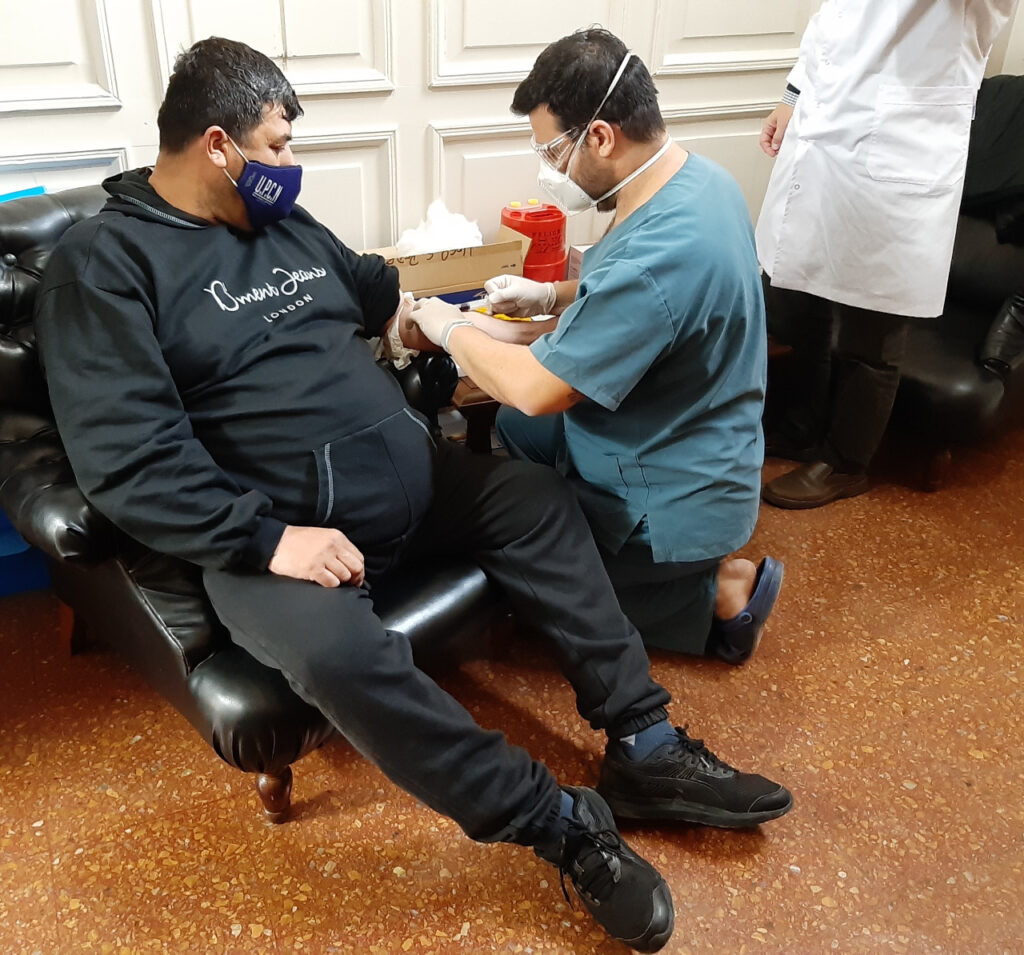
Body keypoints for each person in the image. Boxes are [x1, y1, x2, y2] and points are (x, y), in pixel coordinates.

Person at [33, 37, 793, 953]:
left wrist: (455, 322)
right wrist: (272, 541)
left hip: (412, 481)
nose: (289, 165)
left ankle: (645, 742)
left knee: (536, 500)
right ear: (217, 144)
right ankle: (558, 824)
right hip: (279, 533)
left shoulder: (279, 223)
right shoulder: (104, 265)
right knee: (341, 656)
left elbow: (379, 295)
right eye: (277, 145)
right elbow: (127, 460)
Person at [409, 28, 783, 664]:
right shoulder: (697, 182)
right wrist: (549, 295)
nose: (550, 169)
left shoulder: (660, 253)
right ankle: (580, 526)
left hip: (671, 498)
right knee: (515, 430)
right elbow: (641, 303)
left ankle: (717, 592)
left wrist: (450, 328)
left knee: (510, 584)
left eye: (554, 150)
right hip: (696, 431)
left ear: (602, 136)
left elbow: (536, 388)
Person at [756, 0, 1015, 509]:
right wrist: (792, 96)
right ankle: (803, 426)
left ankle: (846, 462)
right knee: (798, 301)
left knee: (872, 327)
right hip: (822, 141)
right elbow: (833, 24)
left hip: (897, 154)